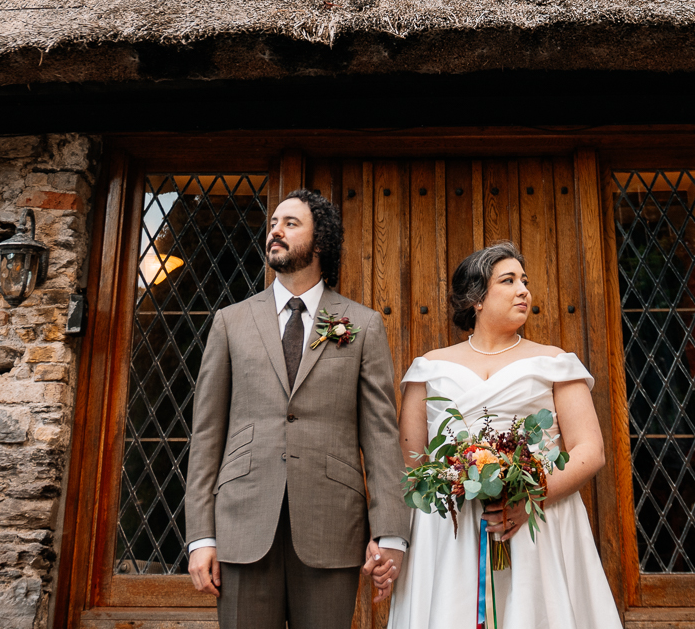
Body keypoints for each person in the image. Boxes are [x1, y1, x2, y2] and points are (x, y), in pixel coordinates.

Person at [186, 188, 412, 629]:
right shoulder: (230, 322)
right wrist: (201, 535)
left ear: (320, 241)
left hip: (332, 527)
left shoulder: (361, 324)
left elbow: (381, 435)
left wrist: (390, 533)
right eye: (273, 223)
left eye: (291, 224)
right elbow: (207, 433)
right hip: (242, 524)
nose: (276, 231)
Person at [386, 243, 624, 629]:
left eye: (525, 281)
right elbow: (412, 462)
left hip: (536, 522)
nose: (523, 290)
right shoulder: (428, 368)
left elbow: (591, 450)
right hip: (451, 531)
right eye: (509, 281)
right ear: (476, 299)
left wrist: (530, 498)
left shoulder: (555, 363)